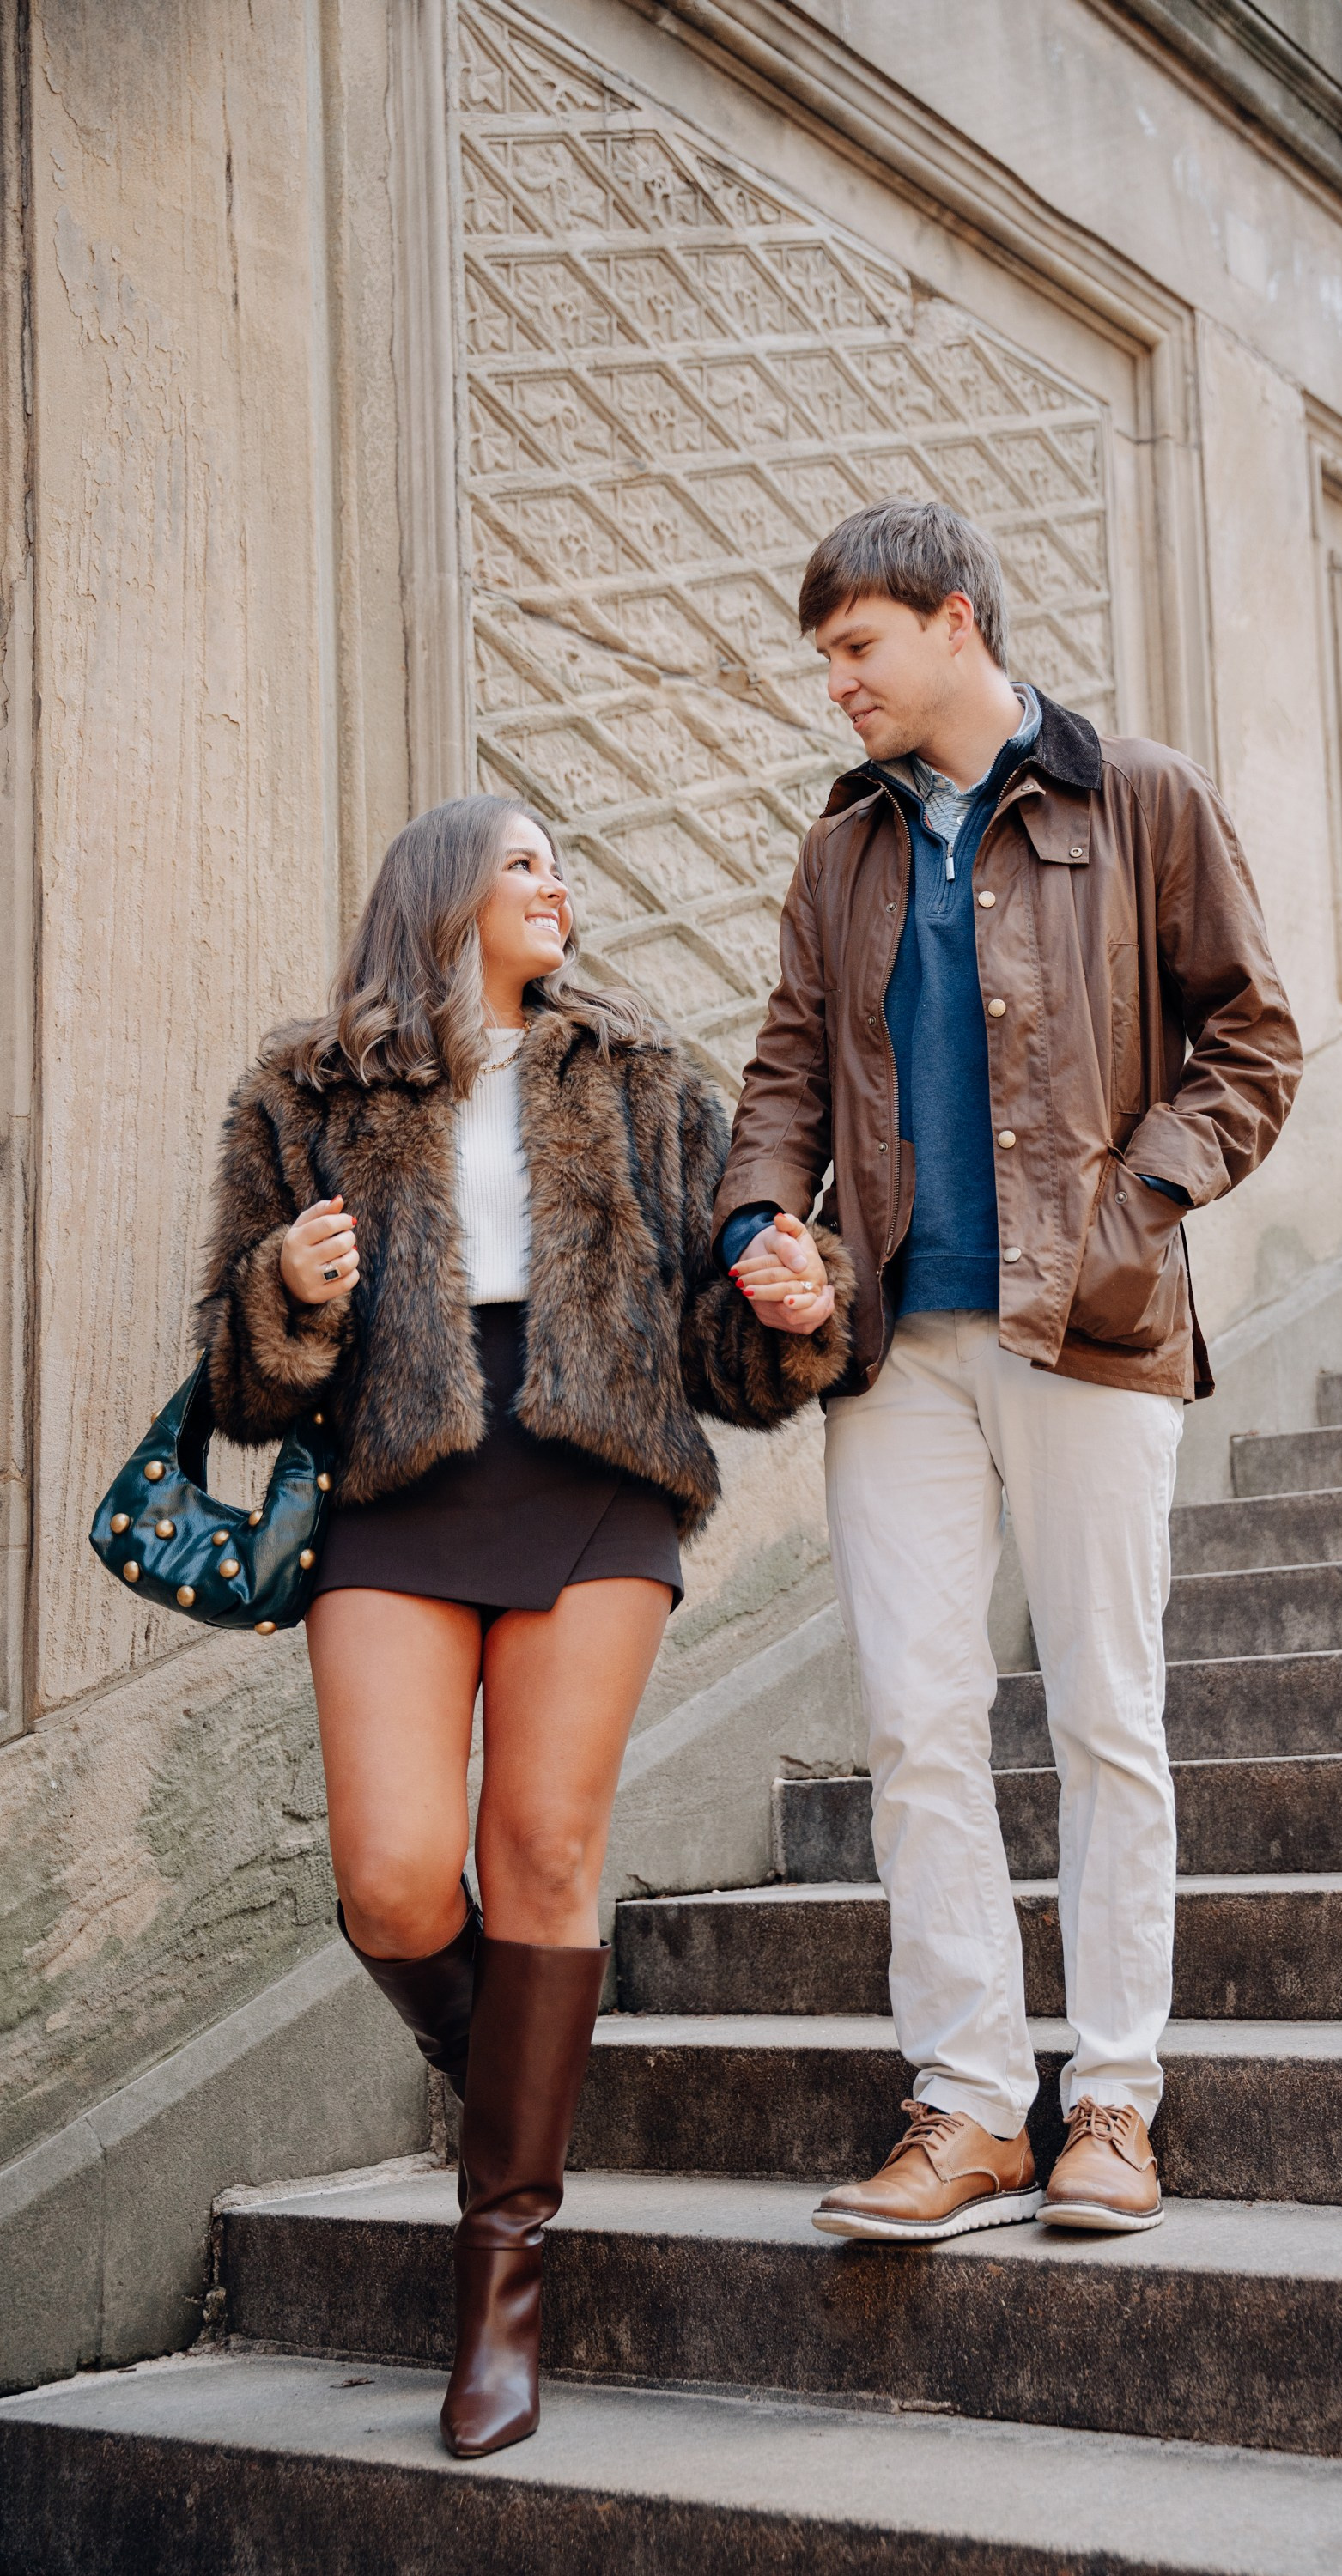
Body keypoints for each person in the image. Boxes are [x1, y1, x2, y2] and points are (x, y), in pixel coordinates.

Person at [196, 794, 851, 2453]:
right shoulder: (308, 1086)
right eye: (524, 863)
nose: (558, 885)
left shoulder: (639, 1075)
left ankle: (501, 2278)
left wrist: (790, 1306)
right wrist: (292, 1289)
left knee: (547, 1853)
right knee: (397, 1876)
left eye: (564, 863)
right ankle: (518, 2088)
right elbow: (240, 1372)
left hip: (597, 1466)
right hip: (401, 1476)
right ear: (441, 894)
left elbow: (723, 1343)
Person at [720, 499, 1300, 2242]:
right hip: (894, 1346)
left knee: (1106, 1718)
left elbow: (1252, 1039)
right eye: (825, 654)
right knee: (916, 1724)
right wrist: (763, 1216)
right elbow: (780, 1079)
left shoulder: (1137, 795)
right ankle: (969, 2105)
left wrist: (1135, 1207)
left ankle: (1111, 2099)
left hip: (1091, 1330)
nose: (834, 683)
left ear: (952, 621)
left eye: (855, 647)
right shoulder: (842, 855)